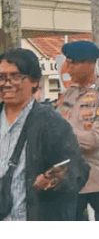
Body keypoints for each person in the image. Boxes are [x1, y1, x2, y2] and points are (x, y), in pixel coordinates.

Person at [0, 48, 89, 221]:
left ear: (34, 82)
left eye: (16, 76)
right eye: (2, 77)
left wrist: (53, 180)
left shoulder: (51, 124)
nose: (7, 83)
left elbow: (79, 171)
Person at [55, 40, 99, 221]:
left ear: (89, 64)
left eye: (72, 63)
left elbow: (95, 139)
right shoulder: (70, 93)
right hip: (71, 181)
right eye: (67, 62)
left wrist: (61, 133)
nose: (67, 67)